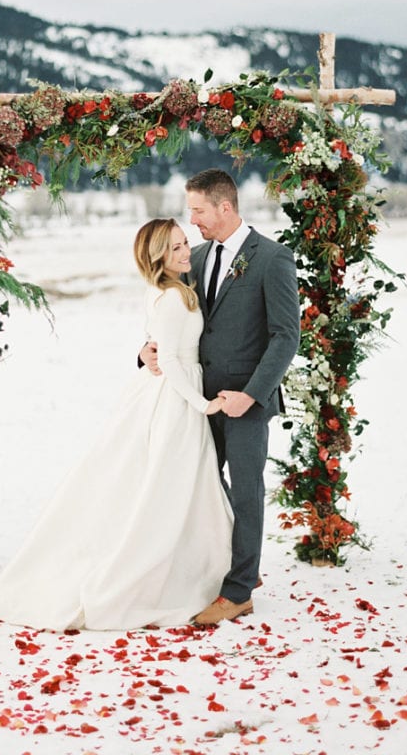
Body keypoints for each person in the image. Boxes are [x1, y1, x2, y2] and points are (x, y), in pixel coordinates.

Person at [0, 218, 233, 631]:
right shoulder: (171, 297)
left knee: (184, 483)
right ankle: (172, 569)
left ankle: (207, 564)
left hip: (169, 390)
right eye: (174, 249)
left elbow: (156, 343)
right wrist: (202, 405)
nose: (185, 252)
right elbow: (169, 359)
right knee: (171, 484)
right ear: (157, 257)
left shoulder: (167, 290)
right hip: (177, 397)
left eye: (184, 243)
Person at [141, 169, 300, 626]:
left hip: (245, 402)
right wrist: (144, 348)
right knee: (203, 488)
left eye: (197, 210)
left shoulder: (272, 258)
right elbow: (170, 317)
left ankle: (238, 591)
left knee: (246, 492)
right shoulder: (196, 256)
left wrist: (250, 396)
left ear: (224, 207)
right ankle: (222, 568)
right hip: (196, 401)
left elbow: (285, 336)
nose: (192, 221)